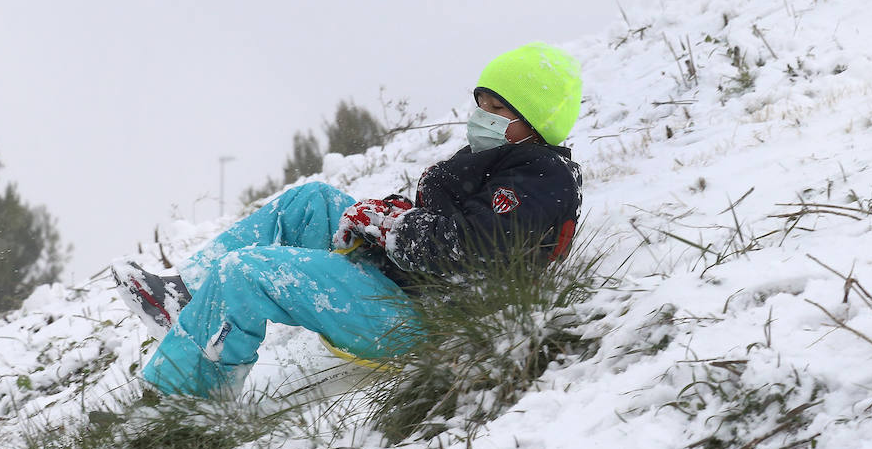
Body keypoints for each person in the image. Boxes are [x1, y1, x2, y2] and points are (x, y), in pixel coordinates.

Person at [116, 42, 584, 398]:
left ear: (536, 121)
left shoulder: (541, 177)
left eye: (499, 109)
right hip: (403, 283)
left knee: (247, 273)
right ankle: (184, 298)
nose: (483, 115)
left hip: (424, 319)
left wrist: (388, 225)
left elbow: (467, 251)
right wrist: (379, 219)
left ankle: (184, 403)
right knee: (311, 201)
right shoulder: (499, 159)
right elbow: (446, 223)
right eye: (481, 102)